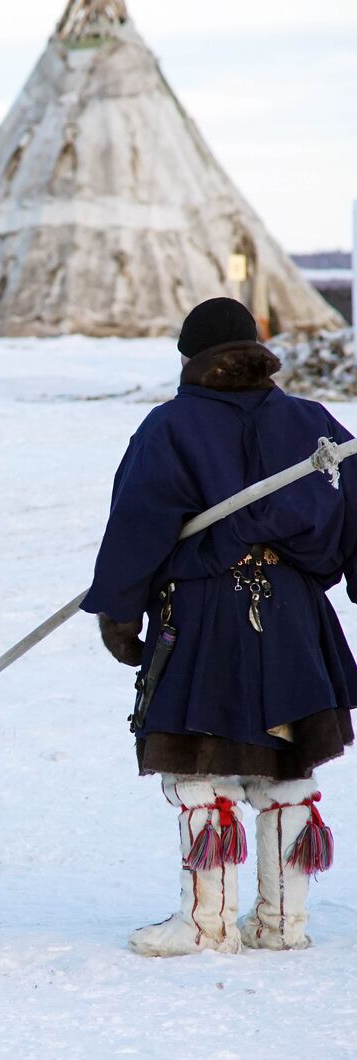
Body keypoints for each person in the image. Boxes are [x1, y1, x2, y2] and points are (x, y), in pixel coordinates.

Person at [82, 297, 357, 957]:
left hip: (205, 612)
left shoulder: (169, 426)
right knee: (284, 766)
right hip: (292, 615)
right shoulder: (312, 422)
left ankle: (206, 926)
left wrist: (121, 612)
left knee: (201, 770)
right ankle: (279, 924)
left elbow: (137, 522)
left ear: (188, 358)